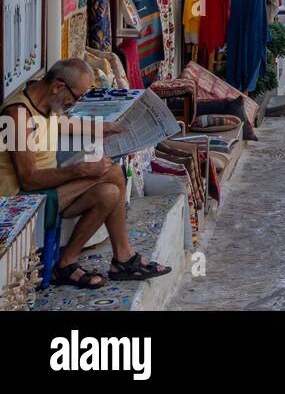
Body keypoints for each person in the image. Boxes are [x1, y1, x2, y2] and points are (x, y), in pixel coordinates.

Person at [0, 59, 172, 289]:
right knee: (111, 173)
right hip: (23, 202)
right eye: (77, 96)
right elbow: (29, 180)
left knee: (109, 192)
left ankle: (68, 260)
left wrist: (104, 128)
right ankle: (122, 258)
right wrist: (81, 170)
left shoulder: (47, 103)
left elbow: (66, 123)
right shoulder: (18, 116)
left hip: (48, 195)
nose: (75, 103)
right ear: (59, 86)